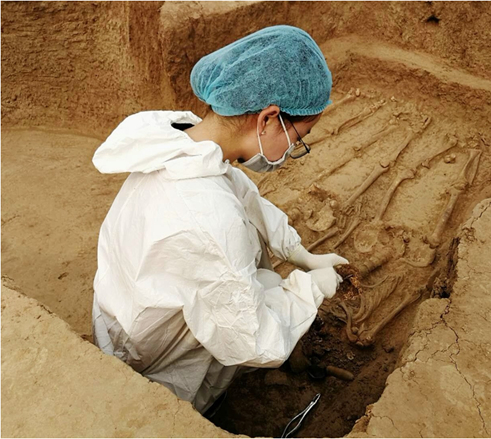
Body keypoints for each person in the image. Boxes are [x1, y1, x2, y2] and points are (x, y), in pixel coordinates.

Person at [91, 25, 348, 414]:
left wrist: (300, 255)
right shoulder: (206, 220)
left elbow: (244, 198)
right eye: (299, 137)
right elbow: (254, 340)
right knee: (258, 300)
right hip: (151, 358)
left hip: (126, 312)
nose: (295, 147)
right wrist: (309, 289)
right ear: (268, 119)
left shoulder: (185, 141)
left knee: (263, 282)